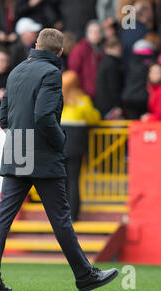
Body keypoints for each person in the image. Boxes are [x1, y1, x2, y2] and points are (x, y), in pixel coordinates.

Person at [0, 28, 119, 291]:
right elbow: (45, 115)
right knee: (60, 218)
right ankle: (84, 275)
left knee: (3, 215)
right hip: (43, 152)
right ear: (60, 51)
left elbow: (3, 119)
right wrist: (60, 142)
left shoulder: (16, 71)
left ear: (36, 45)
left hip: (16, 146)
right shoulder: (52, 73)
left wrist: (19, 139)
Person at [61, 70, 101, 221]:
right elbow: (94, 118)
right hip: (76, 145)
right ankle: (73, 215)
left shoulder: (56, 98)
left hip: (58, 144)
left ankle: (60, 215)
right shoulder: (82, 100)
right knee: (73, 179)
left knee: (60, 181)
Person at [122, 37, 159, 119]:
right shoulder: (152, 60)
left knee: (133, 126)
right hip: (143, 98)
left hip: (128, 97)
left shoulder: (131, 60)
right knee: (145, 127)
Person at [68, 20, 104, 101]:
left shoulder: (100, 49)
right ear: (87, 33)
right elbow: (73, 72)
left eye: (99, 32)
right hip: (84, 93)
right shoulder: (79, 49)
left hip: (97, 93)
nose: (97, 35)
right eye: (93, 32)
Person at [95, 37, 124, 119]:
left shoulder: (104, 61)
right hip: (111, 108)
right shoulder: (112, 64)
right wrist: (118, 106)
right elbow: (114, 87)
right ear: (117, 48)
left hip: (102, 105)